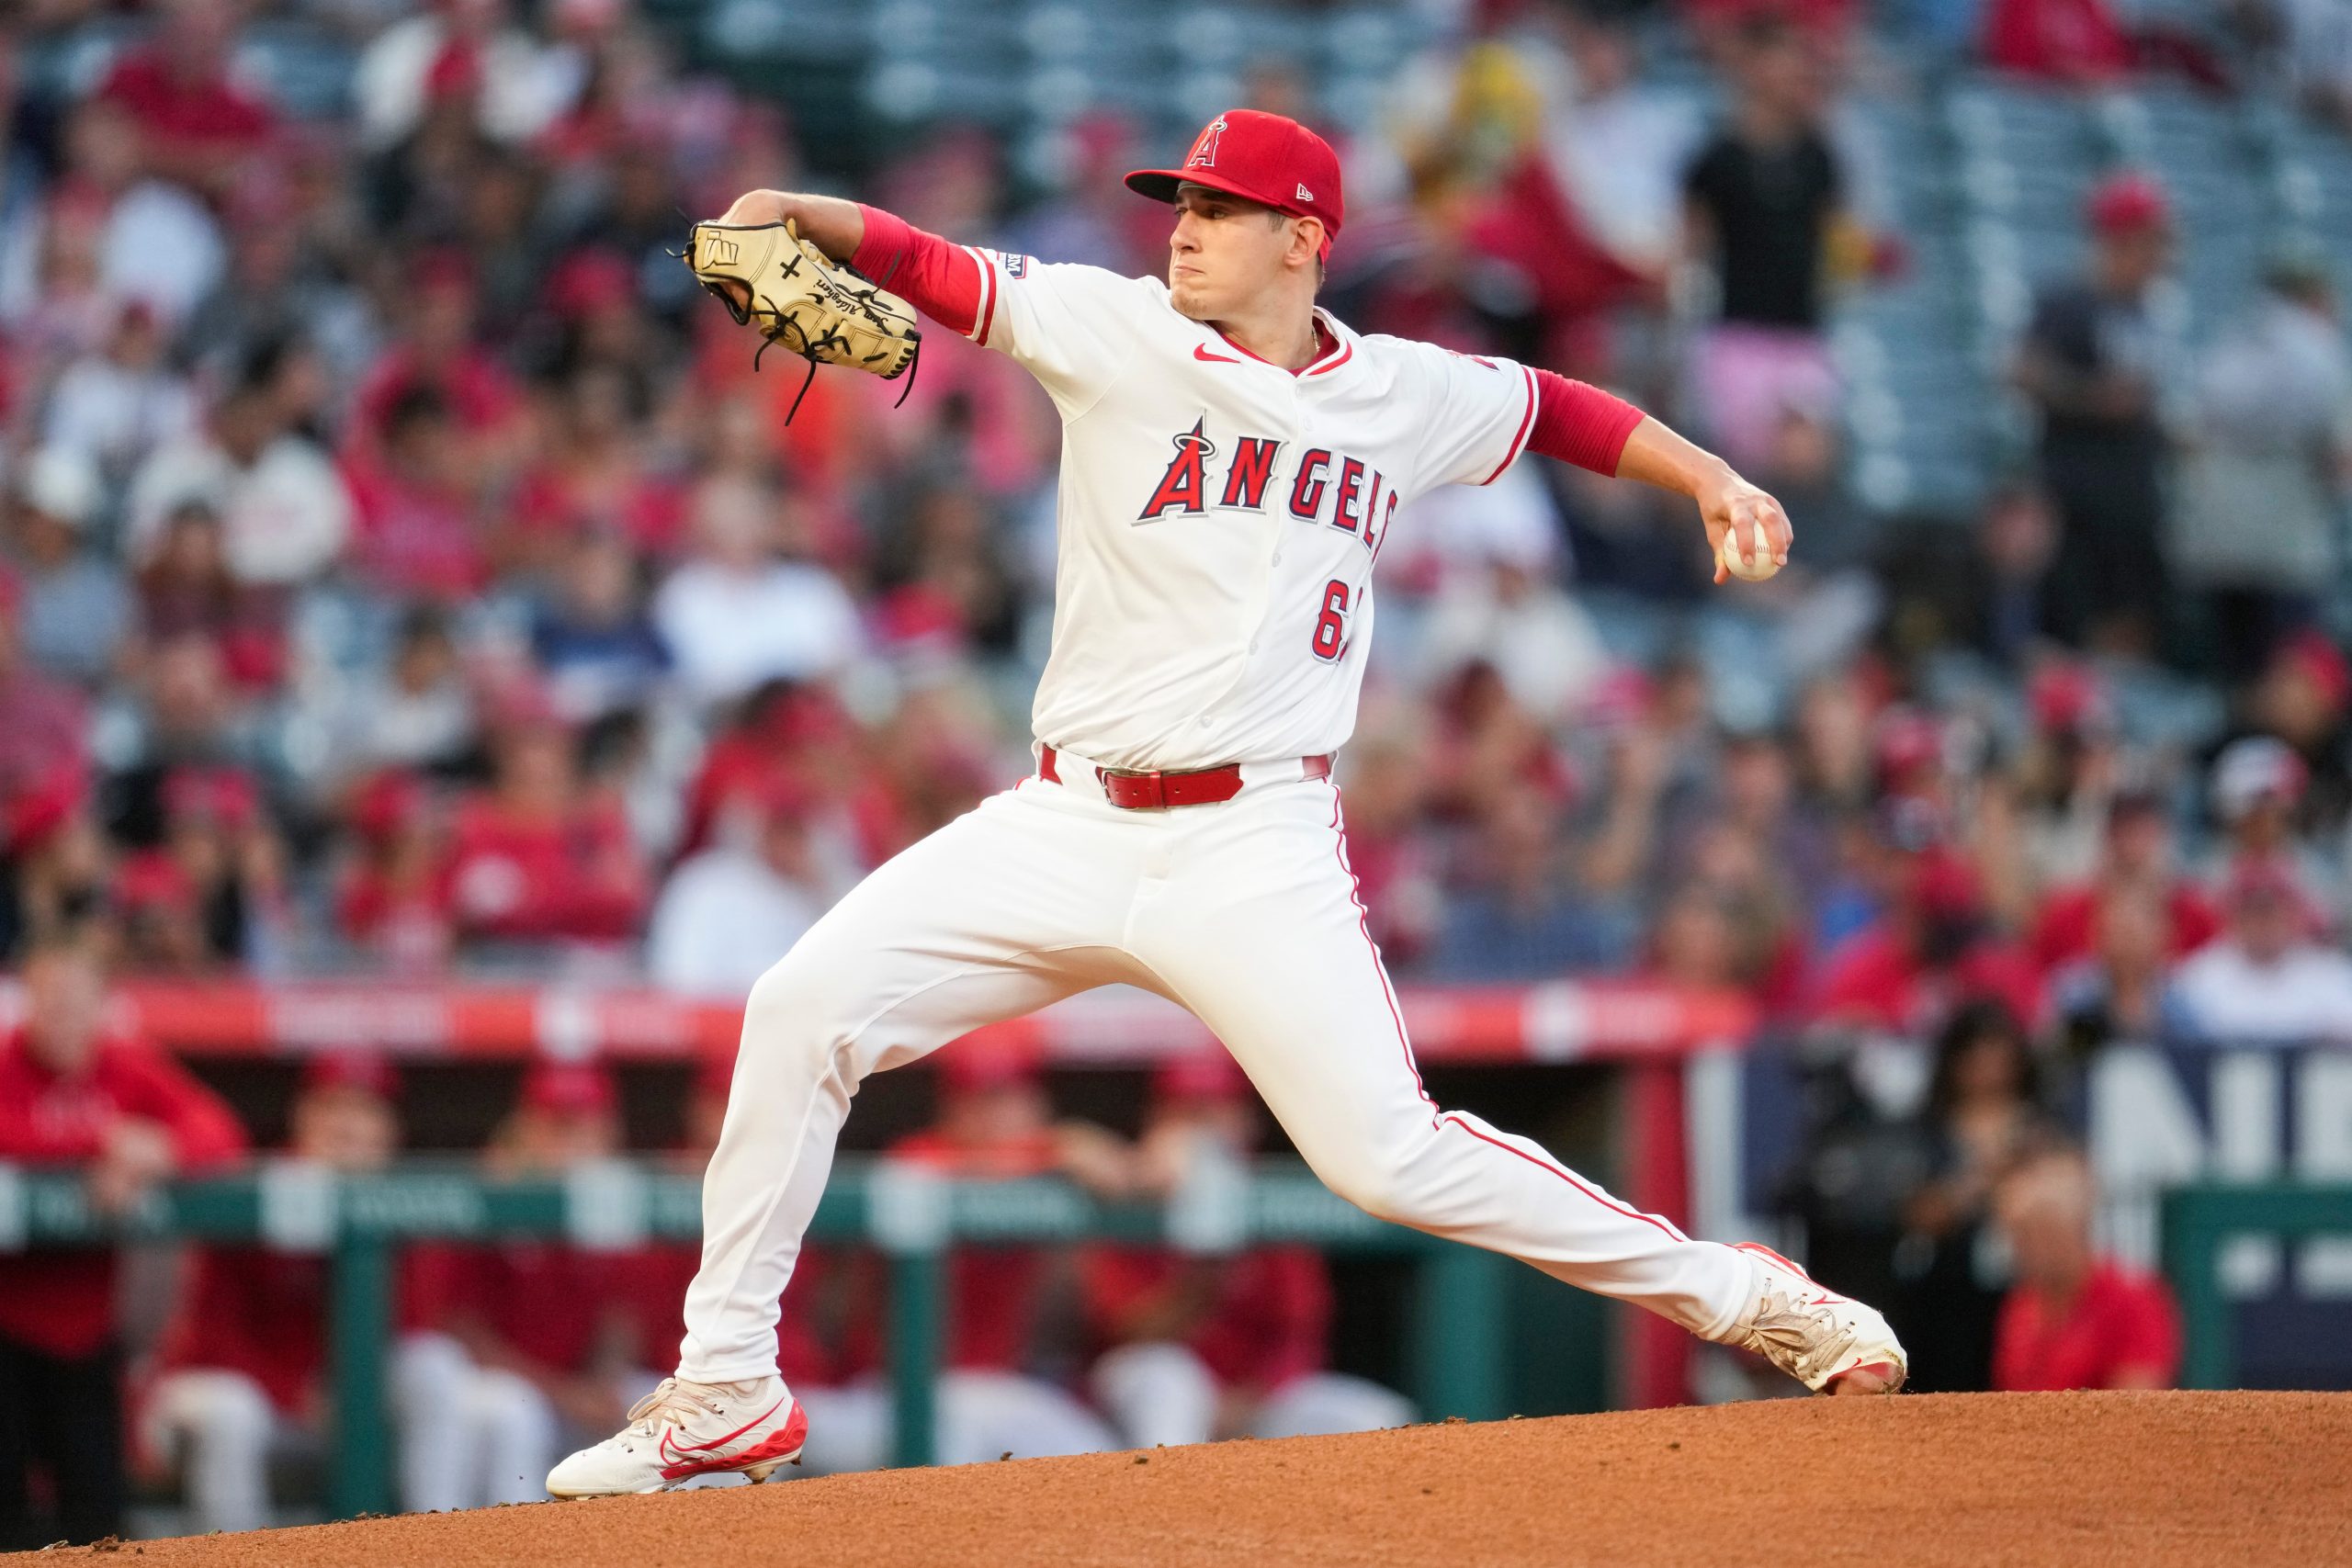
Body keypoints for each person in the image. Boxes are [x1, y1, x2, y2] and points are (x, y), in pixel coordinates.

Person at [548, 107, 1905, 1499]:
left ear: (1304, 237)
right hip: (1065, 819)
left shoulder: (1401, 391)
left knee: (1389, 1157)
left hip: (1251, 841)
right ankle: (724, 1382)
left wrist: (1712, 475)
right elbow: (940, 268)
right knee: (798, 1010)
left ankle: (1745, 1298)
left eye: (1218, 207)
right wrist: (808, 212)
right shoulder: (1115, 328)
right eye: (1177, 201)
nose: (1183, 227)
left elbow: (1558, 405)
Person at [0, 922, 246, 1549]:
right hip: (6, 1320)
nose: (63, 1018)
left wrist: (159, 1147)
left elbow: (219, 1128)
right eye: (49, 1001)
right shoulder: (7, 1061)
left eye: (77, 1003)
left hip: (86, 1327)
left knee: (98, 1516)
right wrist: (99, 1146)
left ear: (101, 1005)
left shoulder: (124, 1064)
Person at [1085, 1052, 1415, 1447]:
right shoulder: (1130, 1194)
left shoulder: (1267, 1197)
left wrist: (1250, 1397)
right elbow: (1125, 1335)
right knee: (1164, 1378)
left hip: (1252, 1398)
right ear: (1156, 1122)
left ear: (1246, 1122)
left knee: (1377, 1416)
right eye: (1186, 1112)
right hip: (1140, 1399)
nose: (1201, 1127)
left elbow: (1297, 1335)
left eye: (1215, 1111)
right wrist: (1203, 1278)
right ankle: (1166, 1502)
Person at [141, 1052, 404, 1535]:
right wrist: (297, 1393)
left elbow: (414, 1328)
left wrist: (343, 1395)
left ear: (389, 1130)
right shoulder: (258, 1189)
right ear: (302, 1116)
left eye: (364, 1111)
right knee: (232, 1412)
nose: (347, 1127)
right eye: (333, 1108)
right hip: (198, 1398)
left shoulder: (403, 1205)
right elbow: (213, 1337)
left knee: (432, 1376)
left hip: (321, 1410)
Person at [2014, 174, 2178, 658]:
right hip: (2077, 496)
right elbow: (2023, 371)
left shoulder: (2147, 309)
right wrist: (2091, 397)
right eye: (2148, 241)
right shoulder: (2070, 302)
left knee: (2133, 625)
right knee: (2075, 630)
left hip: (2134, 496)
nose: (2156, 257)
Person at [2170, 253, 2352, 682]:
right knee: (2291, 681)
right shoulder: (2323, 352)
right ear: (2314, 297)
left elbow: (2185, 436)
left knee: (2233, 681)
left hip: (2216, 547)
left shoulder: (2227, 349)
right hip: (2288, 554)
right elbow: (2341, 461)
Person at [1990, 1145, 2180, 1392]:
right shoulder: (2020, 1307)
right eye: (2018, 1235)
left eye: (2043, 1231)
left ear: (2078, 1226)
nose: (2027, 1248)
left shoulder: (2133, 1298)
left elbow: (2138, 1405)